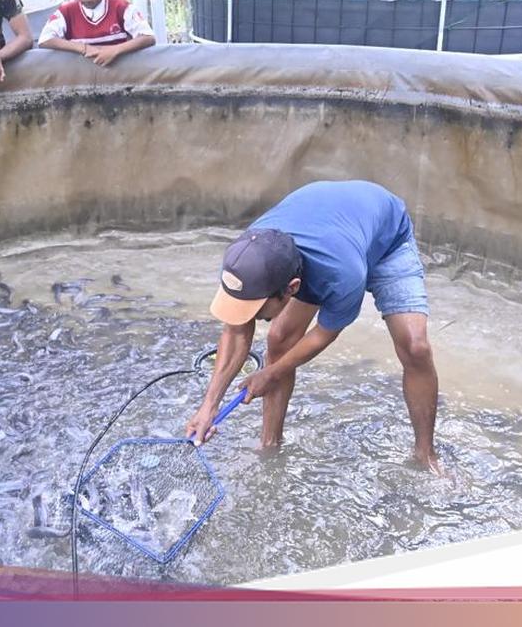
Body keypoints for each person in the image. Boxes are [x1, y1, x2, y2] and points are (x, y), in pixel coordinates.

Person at [185, 181, 442, 472]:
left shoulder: (341, 275)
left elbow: (324, 334)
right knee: (280, 339)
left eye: (257, 310)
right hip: (329, 236)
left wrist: (270, 373)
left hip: (386, 241)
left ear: (292, 288)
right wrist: (209, 406)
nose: (252, 317)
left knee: (415, 347)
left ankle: (426, 454)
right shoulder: (243, 260)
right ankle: (270, 444)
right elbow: (235, 330)